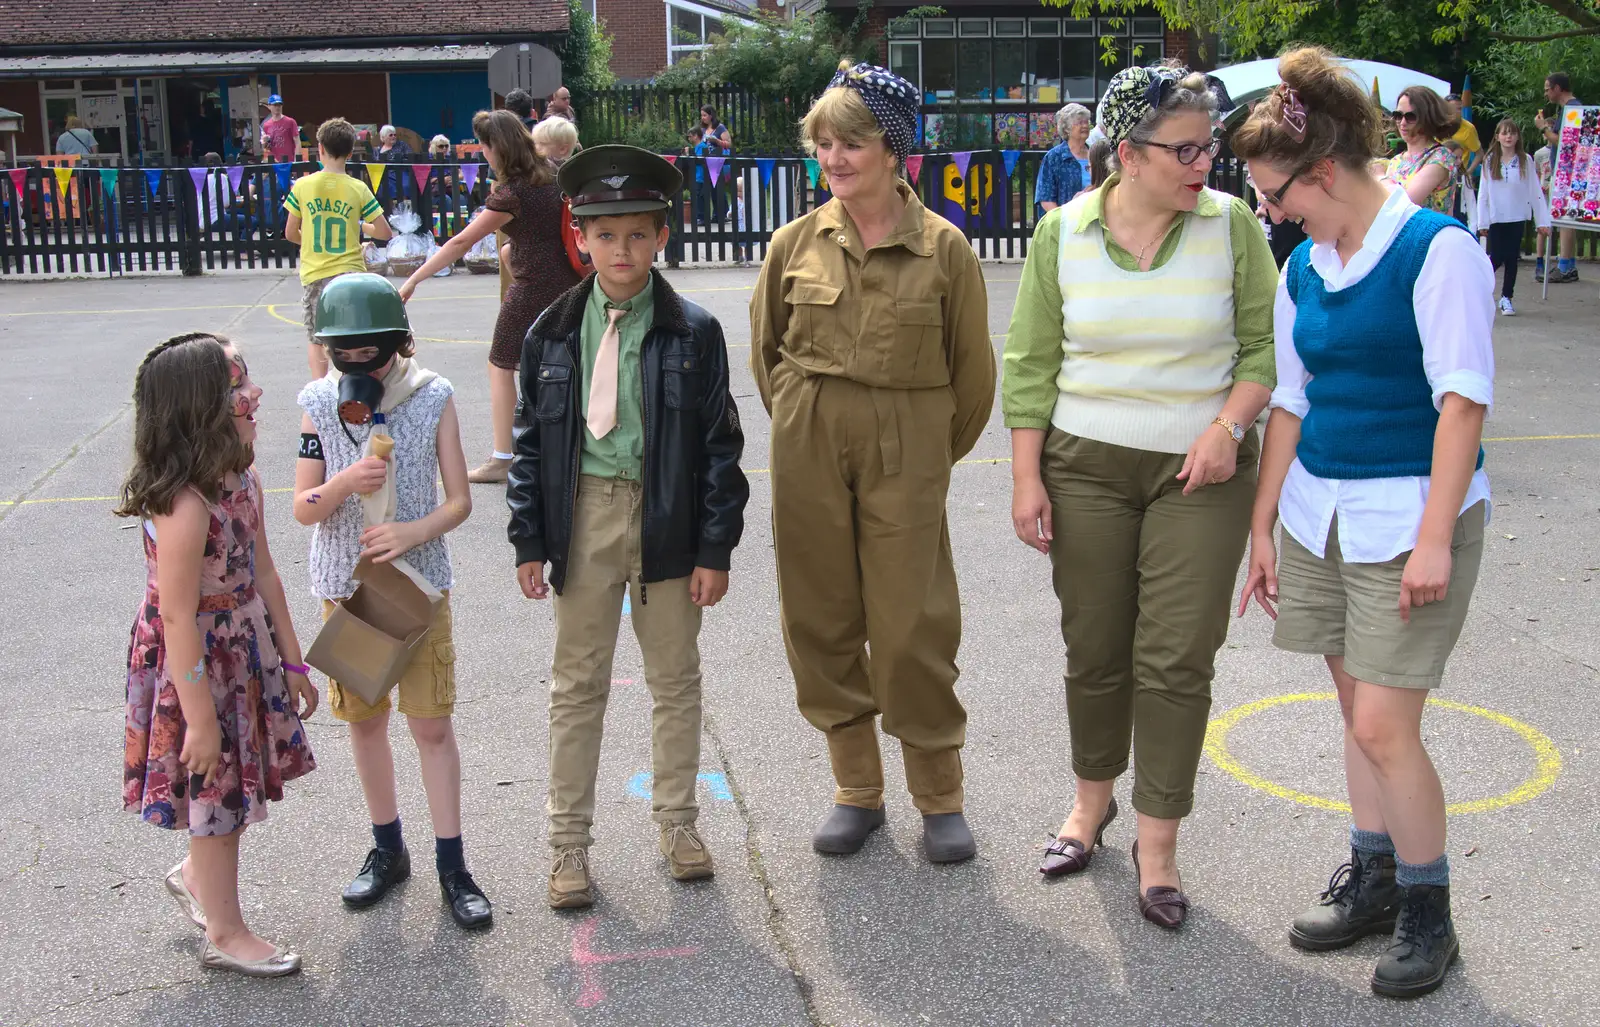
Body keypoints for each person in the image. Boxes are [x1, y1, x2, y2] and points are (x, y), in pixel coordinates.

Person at [1233, 46, 1494, 1000]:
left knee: (1386, 722)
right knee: (1355, 713)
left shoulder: (1438, 250)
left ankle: (1431, 911)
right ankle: (1375, 875)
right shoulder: (1305, 264)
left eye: (1275, 192)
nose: (1270, 210)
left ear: (1326, 169)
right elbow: (1290, 404)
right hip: (1320, 515)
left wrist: (1434, 535)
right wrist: (1262, 528)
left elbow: (1462, 403)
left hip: (1408, 520)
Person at [1004, 64, 1275, 927]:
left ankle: (1157, 842)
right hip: (1086, 465)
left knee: (1176, 656)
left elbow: (1265, 353)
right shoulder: (1065, 233)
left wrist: (1228, 427)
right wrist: (1024, 475)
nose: (1205, 163)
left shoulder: (1232, 229)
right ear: (1126, 153)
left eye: (1209, 146)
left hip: (1203, 469)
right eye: (1184, 148)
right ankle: (1092, 802)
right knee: (1095, 644)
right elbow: (1031, 363)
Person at [751, 62, 995, 864]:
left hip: (908, 441)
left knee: (912, 624)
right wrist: (800, 414)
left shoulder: (945, 249)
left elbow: (972, 379)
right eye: (824, 143)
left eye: (852, 142)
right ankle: (857, 788)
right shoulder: (793, 243)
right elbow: (766, 352)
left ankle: (939, 796)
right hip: (811, 434)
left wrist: (921, 449)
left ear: (894, 151)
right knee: (819, 614)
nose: (835, 156)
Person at [507, 144, 748, 908]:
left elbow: (719, 444)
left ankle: (678, 823)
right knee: (577, 686)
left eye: (637, 233)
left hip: (665, 515)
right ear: (579, 237)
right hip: (583, 515)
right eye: (604, 233)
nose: (621, 249)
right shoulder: (550, 331)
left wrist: (715, 547)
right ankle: (567, 846)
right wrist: (528, 538)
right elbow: (529, 443)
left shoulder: (693, 331)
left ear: (661, 237)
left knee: (675, 680)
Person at [292, 273, 492, 930]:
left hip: (417, 585)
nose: (356, 368)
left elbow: (460, 499)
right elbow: (303, 507)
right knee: (366, 721)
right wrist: (347, 480)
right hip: (348, 590)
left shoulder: (431, 395)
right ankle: (387, 847)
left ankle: (453, 863)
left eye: (369, 356)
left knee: (432, 723)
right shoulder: (318, 404)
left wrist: (414, 529)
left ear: (397, 345)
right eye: (341, 354)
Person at [117, 332, 318, 976]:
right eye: (236, 388)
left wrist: (291, 662)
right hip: (195, 660)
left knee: (231, 782)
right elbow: (176, 614)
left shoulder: (243, 475)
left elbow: (264, 573)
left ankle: (200, 880)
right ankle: (225, 934)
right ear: (199, 408)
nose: (253, 394)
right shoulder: (185, 503)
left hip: (241, 644)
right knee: (217, 785)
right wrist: (198, 718)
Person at [399, 110, 580, 484]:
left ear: (496, 147)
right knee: (563, 362)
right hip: (569, 279)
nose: (482, 153)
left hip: (534, 285)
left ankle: (502, 456)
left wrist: (413, 280)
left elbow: (461, 241)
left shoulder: (512, 193)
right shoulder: (552, 174)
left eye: (483, 145)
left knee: (500, 364)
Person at [284, 118, 394, 379]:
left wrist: (310, 240)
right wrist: (360, 227)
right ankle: (356, 383)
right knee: (353, 334)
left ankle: (320, 389)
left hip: (315, 274)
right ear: (350, 151)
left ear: (319, 148)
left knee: (316, 337)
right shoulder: (358, 188)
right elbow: (384, 232)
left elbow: (290, 232)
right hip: (350, 274)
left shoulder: (302, 186)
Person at [1477, 118, 1551, 316]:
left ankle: (1506, 297)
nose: (1508, 137)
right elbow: (1483, 194)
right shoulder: (1490, 160)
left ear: (1517, 136)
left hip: (1517, 215)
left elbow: (1535, 191)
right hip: (1496, 217)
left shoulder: (1525, 160)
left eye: (1512, 133)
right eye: (1504, 133)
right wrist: (1482, 221)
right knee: (1496, 257)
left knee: (1511, 259)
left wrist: (1542, 221)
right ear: (1497, 136)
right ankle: (1477, 289)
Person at [1384, 87, 1461, 217]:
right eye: (1398, 115)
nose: (1402, 123)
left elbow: (1404, 205)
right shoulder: (1396, 161)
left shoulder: (1441, 157)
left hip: (1431, 236)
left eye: (1411, 117)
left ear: (1428, 118)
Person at [1534, 73, 1581, 282]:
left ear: (1558, 88)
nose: (1546, 93)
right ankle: (1568, 263)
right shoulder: (1568, 109)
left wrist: (1543, 127)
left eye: (1547, 89)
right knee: (1565, 219)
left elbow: (1565, 142)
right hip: (1564, 171)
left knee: (1565, 218)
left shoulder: (1573, 109)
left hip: (1567, 172)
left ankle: (1564, 266)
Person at [1035, 103, 1090, 219]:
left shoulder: (1095, 154)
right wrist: (1065, 220)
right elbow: (1045, 199)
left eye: (1086, 122)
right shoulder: (1054, 157)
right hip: (1065, 225)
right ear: (1066, 128)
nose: (1085, 125)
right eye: (1080, 122)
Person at [1444, 93, 1482, 228]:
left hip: (1460, 175)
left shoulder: (1468, 129)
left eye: (1459, 109)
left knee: (1461, 212)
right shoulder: (1437, 126)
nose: (1456, 112)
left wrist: (1468, 172)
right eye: (1452, 109)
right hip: (1440, 174)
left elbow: (1479, 153)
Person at [699, 106, 733, 222]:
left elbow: (729, 144)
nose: (702, 118)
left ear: (711, 116)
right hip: (705, 162)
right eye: (701, 115)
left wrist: (717, 141)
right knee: (707, 188)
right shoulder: (702, 129)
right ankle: (713, 215)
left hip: (718, 162)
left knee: (718, 187)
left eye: (704, 115)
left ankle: (721, 214)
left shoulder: (720, 128)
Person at [1532, 141, 1555, 280]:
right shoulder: (1539, 154)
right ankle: (1539, 261)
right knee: (1542, 228)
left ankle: (1564, 263)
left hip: (1556, 193)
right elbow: (1536, 173)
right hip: (1544, 193)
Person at [260, 95, 300, 162]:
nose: (277, 107)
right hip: (274, 161)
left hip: (289, 160)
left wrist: (297, 160)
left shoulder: (290, 121)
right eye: (275, 105)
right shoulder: (266, 125)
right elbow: (266, 147)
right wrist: (264, 142)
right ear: (269, 106)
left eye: (279, 105)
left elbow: (297, 141)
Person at [687, 127, 712, 226]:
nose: (689, 139)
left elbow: (699, 161)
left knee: (700, 197)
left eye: (690, 136)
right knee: (697, 196)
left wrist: (689, 154)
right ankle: (700, 216)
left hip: (701, 176)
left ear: (696, 136)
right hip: (697, 175)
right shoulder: (698, 147)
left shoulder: (702, 146)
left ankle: (702, 217)